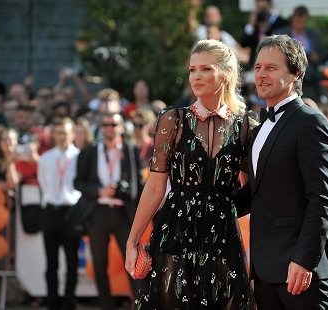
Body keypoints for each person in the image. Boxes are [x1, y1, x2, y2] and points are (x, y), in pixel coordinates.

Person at [125, 39, 257, 309]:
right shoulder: (173, 120)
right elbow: (154, 187)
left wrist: (225, 208)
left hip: (222, 234)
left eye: (205, 69)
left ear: (226, 73)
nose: (195, 77)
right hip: (175, 229)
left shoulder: (245, 126)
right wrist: (133, 238)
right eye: (192, 70)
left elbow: (251, 189)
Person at [248, 35, 328, 309]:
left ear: (296, 73)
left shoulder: (311, 123)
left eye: (271, 68)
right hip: (265, 270)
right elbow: (257, 192)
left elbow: (322, 199)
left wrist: (303, 260)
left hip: (300, 272)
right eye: (258, 68)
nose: (261, 75)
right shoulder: (260, 126)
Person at [74, 112, 142, 310]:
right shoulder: (89, 151)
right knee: (99, 264)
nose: (109, 128)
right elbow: (78, 182)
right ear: (100, 127)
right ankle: (106, 305)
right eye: (105, 124)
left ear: (121, 127)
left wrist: (125, 189)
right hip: (98, 213)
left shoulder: (129, 149)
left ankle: (137, 303)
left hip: (122, 213)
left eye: (113, 124)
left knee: (132, 262)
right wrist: (98, 191)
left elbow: (138, 182)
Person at [37, 117, 81, 310]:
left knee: (72, 261)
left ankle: (69, 300)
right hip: (51, 212)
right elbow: (43, 183)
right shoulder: (45, 158)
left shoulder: (80, 156)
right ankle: (52, 300)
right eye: (58, 132)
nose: (61, 136)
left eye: (65, 132)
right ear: (53, 135)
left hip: (71, 212)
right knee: (51, 261)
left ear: (72, 134)